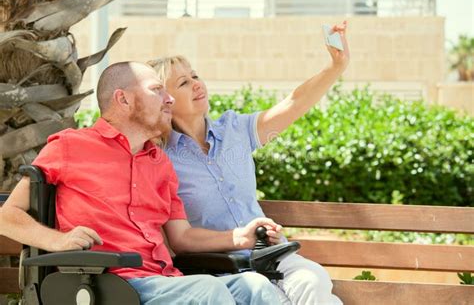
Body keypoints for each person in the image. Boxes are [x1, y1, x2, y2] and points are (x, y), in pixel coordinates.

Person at [0, 62, 284, 305]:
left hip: (164, 282)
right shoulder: (71, 146)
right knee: (206, 292)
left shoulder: (160, 163)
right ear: (123, 100)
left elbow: (181, 237)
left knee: (255, 286)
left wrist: (238, 239)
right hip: (109, 285)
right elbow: (6, 216)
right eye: (156, 90)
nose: (169, 99)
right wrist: (57, 240)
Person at [149, 21, 350, 304]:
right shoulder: (160, 159)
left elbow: (293, 103)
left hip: (272, 253)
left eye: (195, 75)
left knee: (313, 280)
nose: (197, 84)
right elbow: (180, 238)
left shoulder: (235, 130)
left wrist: (336, 67)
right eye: (184, 82)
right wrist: (237, 237)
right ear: (165, 101)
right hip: (217, 268)